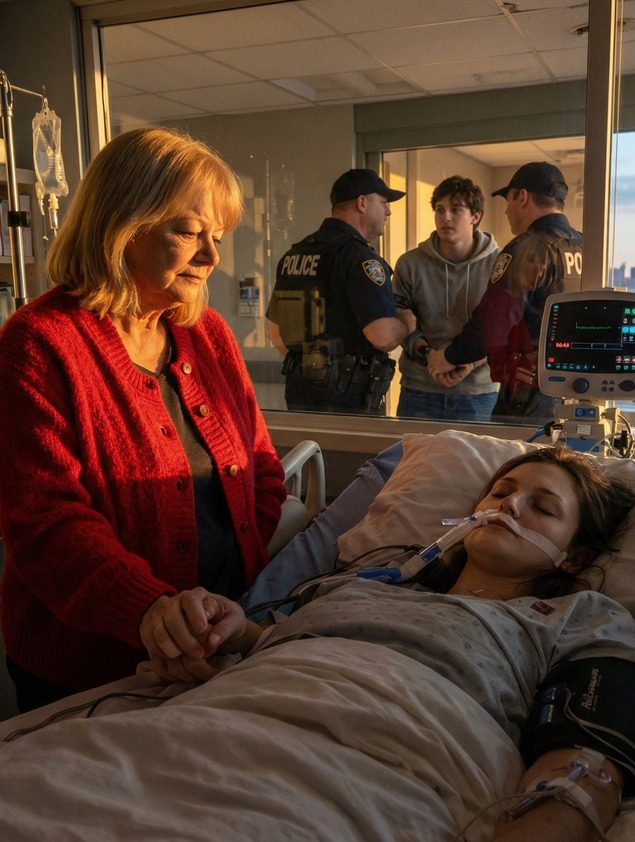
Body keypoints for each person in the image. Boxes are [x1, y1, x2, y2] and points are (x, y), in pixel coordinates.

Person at [170, 446, 635, 839]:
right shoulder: (365, 583)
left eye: (543, 508)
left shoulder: (578, 618)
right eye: (501, 492)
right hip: (219, 725)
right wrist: (226, 628)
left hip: (382, 768)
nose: (510, 506)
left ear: (574, 558)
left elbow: (583, 769)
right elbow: (278, 642)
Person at [0, 127, 287, 712]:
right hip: (91, 667)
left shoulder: (208, 335)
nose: (211, 257)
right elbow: (46, 521)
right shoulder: (39, 343)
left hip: (221, 640)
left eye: (216, 237)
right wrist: (149, 611)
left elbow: (261, 469)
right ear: (123, 226)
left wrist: (224, 598)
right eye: (188, 232)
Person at [427, 162, 583, 423]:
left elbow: (493, 325)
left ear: (522, 197)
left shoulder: (528, 249)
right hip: (573, 393)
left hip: (528, 397)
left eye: (508, 200)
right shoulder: (583, 245)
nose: (507, 210)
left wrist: (449, 357)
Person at [266, 168, 408, 414]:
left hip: (300, 393)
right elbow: (383, 336)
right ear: (362, 203)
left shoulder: (295, 254)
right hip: (348, 398)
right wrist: (406, 323)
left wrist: (312, 366)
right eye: (383, 203)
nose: (388, 211)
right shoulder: (358, 258)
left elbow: (275, 332)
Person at [393, 175, 500, 421]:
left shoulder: (499, 263)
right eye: (440, 210)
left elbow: (502, 327)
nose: (446, 217)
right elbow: (401, 319)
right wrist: (430, 355)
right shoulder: (410, 263)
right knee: (413, 448)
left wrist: (468, 363)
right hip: (419, 387)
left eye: (456, 209)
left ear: (475, 216)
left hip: (478, 390)